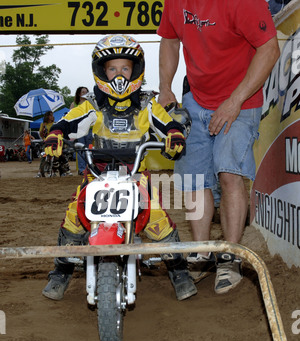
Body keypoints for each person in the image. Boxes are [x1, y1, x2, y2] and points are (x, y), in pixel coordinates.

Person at [41, 34, 197, 302]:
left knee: (158, 220)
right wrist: (56, 133)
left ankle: (179, 272)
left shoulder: (148, 104)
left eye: (125, 68)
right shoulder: (92, 104)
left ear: (136, 70)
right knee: (74, 218)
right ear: (101, 71)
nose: (119, 75)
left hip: (137, 176)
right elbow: (69, 121)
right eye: (112, 69)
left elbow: (166, 123)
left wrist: (175, 134)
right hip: (96, 175)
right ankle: (61, 272)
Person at [157, 0, 280, 294]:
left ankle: (230, 258)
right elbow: (170, 41)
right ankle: (201, 255)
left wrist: (235, 101)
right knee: (194, 179)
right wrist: (165, 86)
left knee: (228, 173)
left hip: (241, 99)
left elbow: (269, 49)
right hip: (195, 99)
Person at [36, 111, 72, 178]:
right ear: (47, 116)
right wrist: (43, 135)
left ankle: (63, 171)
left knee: (59, 155)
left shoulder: (55, 124)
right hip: (47, 141)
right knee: (44, 155)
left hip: (55, 141)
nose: (52, 117)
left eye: (52, 115)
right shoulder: (43, 124)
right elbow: (41, 134)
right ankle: (40, 171)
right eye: (50, 115)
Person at [70, 86, 93, 175]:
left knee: (88, 150)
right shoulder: (74, 104)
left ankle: (89, 168)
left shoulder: (91, 104)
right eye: (83, 92)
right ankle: (82, 169)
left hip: (89, 129)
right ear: (79, 93)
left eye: (86, 92)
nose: (85, 93)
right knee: (80, 149)